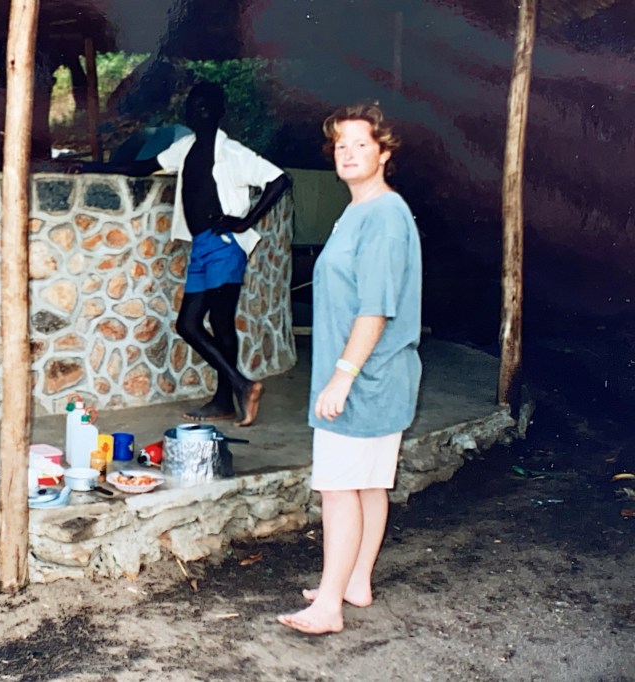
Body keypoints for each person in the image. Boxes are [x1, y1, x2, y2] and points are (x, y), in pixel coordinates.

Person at [277, 103, 422, 635]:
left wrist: (342, 375)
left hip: (363, 378)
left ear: (384, 153)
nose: (349, 153)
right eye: (342, 145)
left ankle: (328, 607)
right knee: (368, 485)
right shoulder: (362, 210)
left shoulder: (383, 216)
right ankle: (356, 581)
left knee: (339, 488)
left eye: (362, 144)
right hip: (376, 376)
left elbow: (375, 308)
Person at [85, 81, 290, 426]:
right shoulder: (185, 147)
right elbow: (142, 167)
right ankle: (236, 390)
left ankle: (231, 394)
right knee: (190, 324)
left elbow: (279, 180)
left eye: (205, 107)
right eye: (193, 107)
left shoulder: (233, 153)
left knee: (218, 323)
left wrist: (246, 221)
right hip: (200, 246)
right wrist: (89, 168)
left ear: (220, 111)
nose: (198, 112)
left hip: (224, 245)